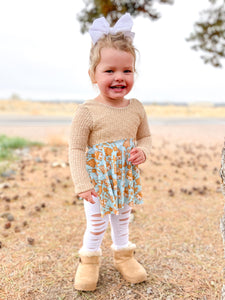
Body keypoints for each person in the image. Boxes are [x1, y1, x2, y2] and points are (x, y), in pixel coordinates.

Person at [69, 13, 152, 291]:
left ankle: (123, 256)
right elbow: (77, 148)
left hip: (124, 177)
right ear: (93, 74)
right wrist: (82, 182)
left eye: (127, 71)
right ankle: (89, 261)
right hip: (97, 181)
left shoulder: (136, 107)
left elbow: (145, 136)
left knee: (122, 219)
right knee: (97, 223)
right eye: (109, 71)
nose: (119, 77)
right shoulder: (87, 111)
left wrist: (143, 150)